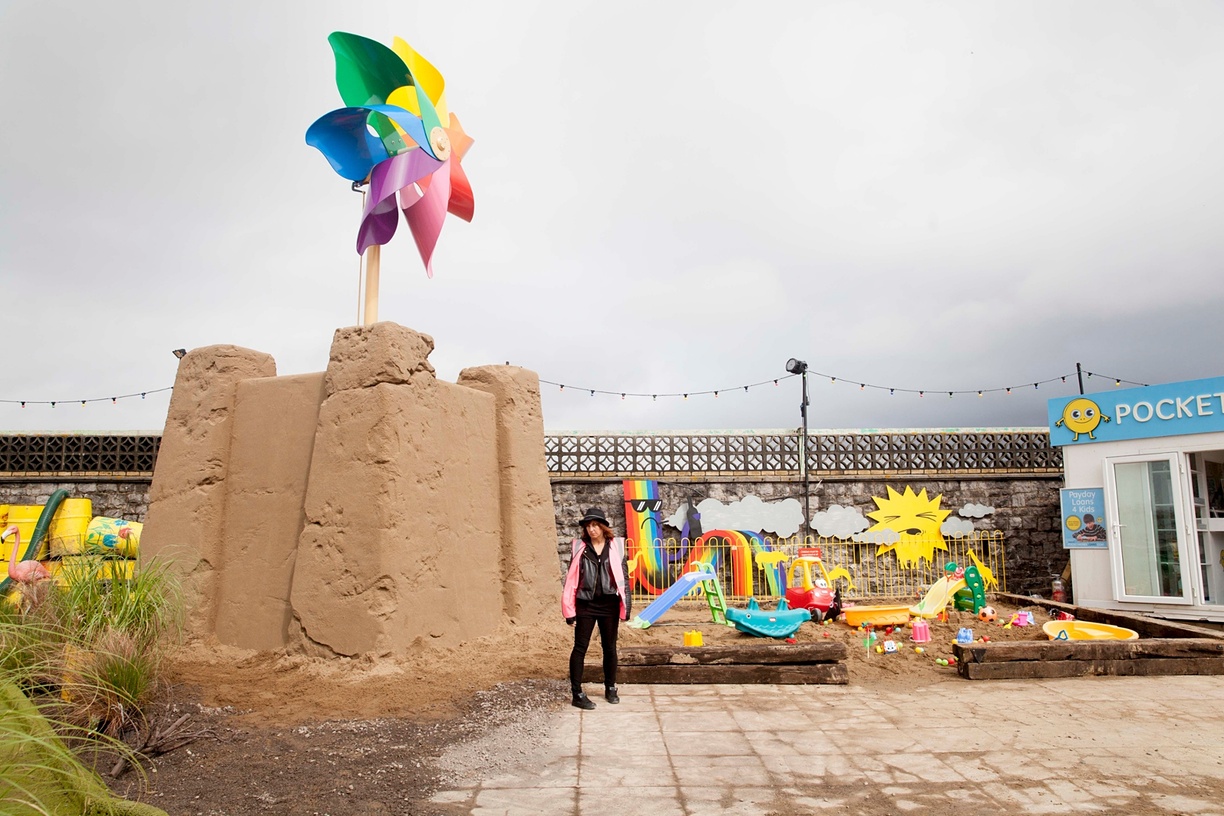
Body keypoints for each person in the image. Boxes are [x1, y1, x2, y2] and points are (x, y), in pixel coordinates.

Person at [561, 507, 630, 710]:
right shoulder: (580, 548)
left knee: (609, 648)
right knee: (580, 648)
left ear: (602, 527)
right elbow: (571, 580)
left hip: (609, 605)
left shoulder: (616, 547)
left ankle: (610, 687)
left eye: (594, 525)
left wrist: (627, 606)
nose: (591, 529)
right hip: (586, 604)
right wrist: (569, 610)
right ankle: (577, 693)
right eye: (588, 526)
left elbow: (623, 579)